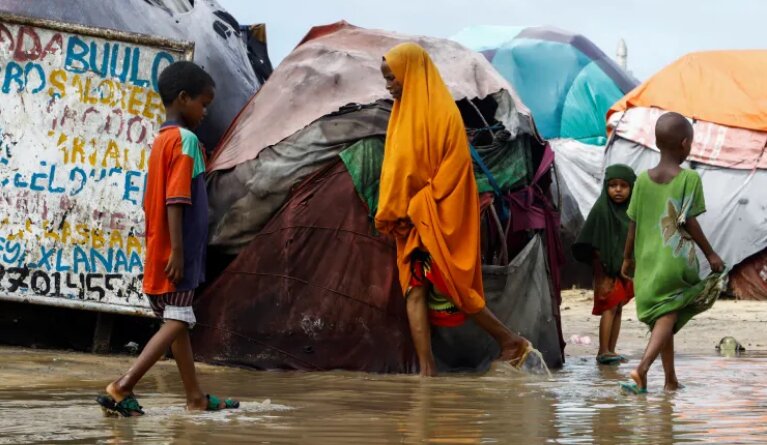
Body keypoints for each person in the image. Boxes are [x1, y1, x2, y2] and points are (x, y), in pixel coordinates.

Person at [376, 42, 535, 377]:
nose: (389, 85)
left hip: (436, 213)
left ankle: (511, 341)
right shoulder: (400, 114)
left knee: (455, 288)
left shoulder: (442, 115)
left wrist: (417, 203)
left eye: (393, 77)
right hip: (413, 220)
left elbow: (453, 173)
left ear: (411, 72)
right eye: (386, 79)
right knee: (413, 290)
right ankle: (427, 371)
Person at [96, 61, 238, 416]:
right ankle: (123, 385)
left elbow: (154, 200)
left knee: (178, 324)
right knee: (179, 320)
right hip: (179, 252)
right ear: (183, 98)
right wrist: (178, 250)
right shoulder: (187, 141)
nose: (205, 112)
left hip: (160, 247)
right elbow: (177, 198)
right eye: (203, 104)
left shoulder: (161, 140)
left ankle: (195, 398)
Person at [620, 112, 726, 394]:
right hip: (675, 262)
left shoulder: (641, 180)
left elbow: (633, 222)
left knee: (663, 316)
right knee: (668, 315)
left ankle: (670, 380)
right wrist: (711, 254)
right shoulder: (689, 179)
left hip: (648, 263)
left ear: (656, 143)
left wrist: (627, 258)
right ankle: (642, 370)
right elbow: (689, 220)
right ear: (684, 144)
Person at [573, 164, 637, 365]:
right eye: (613, 185)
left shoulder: (631, 213)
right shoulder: (601, 210)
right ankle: (603, 350)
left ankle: (612, 349)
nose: (618, 190)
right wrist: (606, 261)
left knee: (618, 308)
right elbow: (590, 240)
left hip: (623, 270)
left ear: (632, 188)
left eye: (624, 186)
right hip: (606, 269)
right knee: (609, 307)